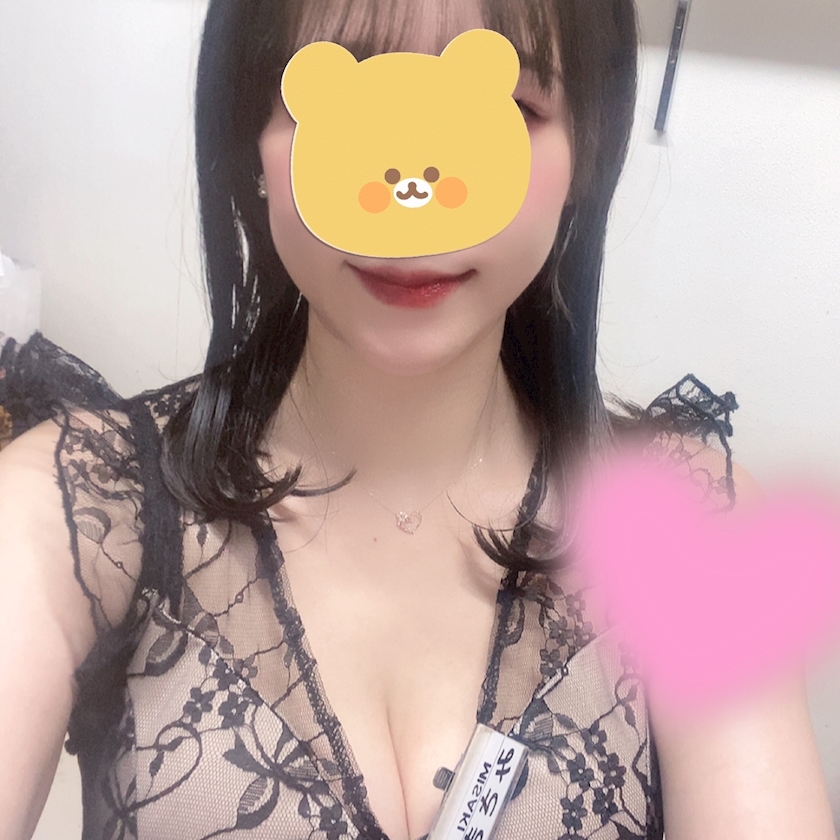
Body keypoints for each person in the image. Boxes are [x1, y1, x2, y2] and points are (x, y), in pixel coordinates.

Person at [0, 0, 835, 838]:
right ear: (251, 141)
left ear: (585, 153)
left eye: (503, 108)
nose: (414, 204)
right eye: (343, 100)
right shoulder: (72, 509)